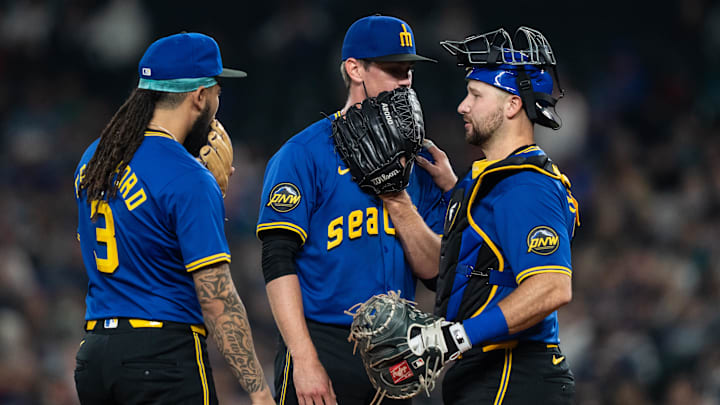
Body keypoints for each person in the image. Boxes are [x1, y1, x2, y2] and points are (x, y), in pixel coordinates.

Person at [256, 15, 454, 405]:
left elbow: (433, 271)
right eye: (393, 70)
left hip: (397, 350)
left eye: (409, 71)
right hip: (322, 342)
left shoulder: (423, 162)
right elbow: (277, 260)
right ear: (354, 68)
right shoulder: (303, 154)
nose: (405, 82)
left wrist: (398, 201)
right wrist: (304, 359)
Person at [73, 32, 274, 405]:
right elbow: (217, 299)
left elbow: (111, 239)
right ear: (199, 96)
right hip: (160, 358)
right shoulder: (189, 178)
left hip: (95, 355)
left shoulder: (93, 159)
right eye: (217, 92)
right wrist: (259, 389)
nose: (218, 102)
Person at [410, 27, 579, 404]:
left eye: (475, 94)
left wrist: (456, 336)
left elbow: (552, 286)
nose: (462, 106)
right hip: (490, 375)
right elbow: (479, 259)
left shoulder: (527, 186)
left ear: (512, 105)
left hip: (513, 376)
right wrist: (456, 191)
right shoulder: (495, 183)